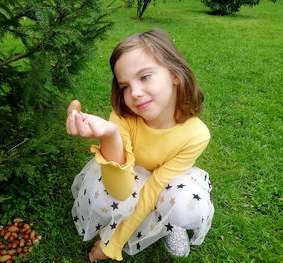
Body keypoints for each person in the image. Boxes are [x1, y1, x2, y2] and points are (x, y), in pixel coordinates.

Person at [66, 29, 214, 262]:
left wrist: (114, 244)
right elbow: (121, 190)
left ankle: (171, 224)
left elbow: (154, 188)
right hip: (126, 175)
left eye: (145, 77)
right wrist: (109, 137)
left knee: (188, 204)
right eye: (125, 86)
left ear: (175, 74)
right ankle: (125, 221)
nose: (134, 93)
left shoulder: (197, 135)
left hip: (166, 183)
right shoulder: (123, 118)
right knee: (106, 197)